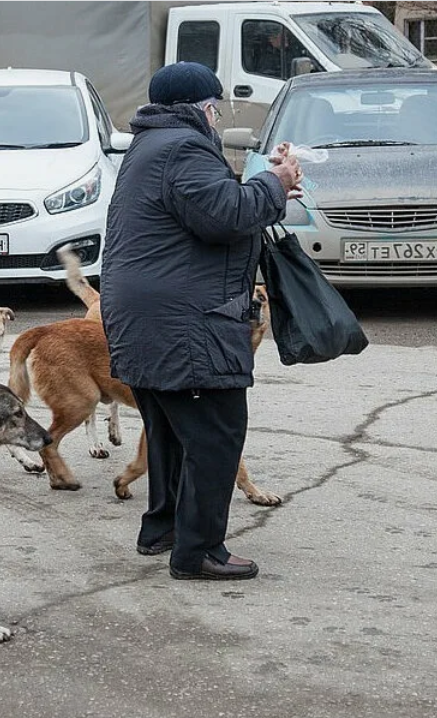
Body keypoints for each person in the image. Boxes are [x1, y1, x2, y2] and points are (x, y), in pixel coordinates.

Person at [100, 61, 301, 581]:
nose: (219, 116)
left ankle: (162, 529)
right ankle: (199, 552)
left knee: (169, 433)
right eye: (216, 107)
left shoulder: (152, 146)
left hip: (148, 317)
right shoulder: (183, 148)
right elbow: (225, 216)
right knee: (215, 434)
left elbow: (211, 207)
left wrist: (270, 189)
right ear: (202, 109)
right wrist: (274, 184)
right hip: (183, 322)